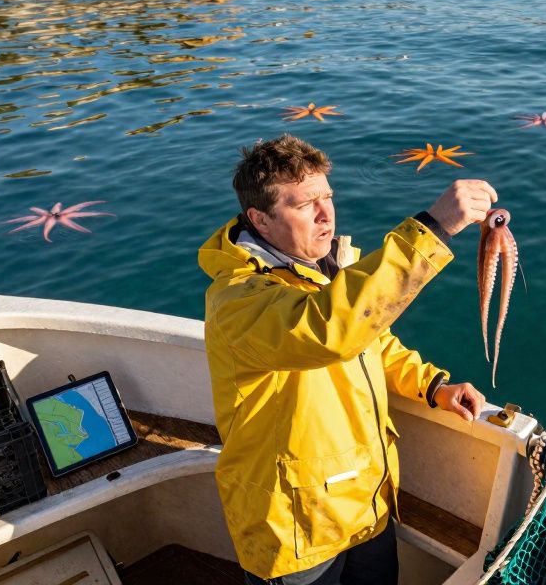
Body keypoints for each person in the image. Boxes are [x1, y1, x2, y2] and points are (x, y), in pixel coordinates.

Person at [198, 134, 491, 585]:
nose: (325, 214)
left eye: (328, 197)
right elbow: (327, 331)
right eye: (304, 204)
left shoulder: (330, 266)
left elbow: (370, 340)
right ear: (261, 218)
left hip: (366, 504)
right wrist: (433, 230)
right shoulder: (238, 301)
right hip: (299, 527)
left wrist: (431, 386)